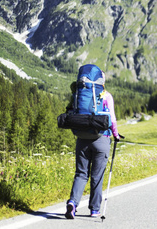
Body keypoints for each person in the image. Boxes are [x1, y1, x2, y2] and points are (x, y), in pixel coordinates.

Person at [65, 71, 120, 219]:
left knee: (81, 174)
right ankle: (95, 209)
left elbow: (70, 111)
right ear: (102, 81)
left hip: (82, 138)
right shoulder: (106, 95)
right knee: (97, 176)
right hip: (102, 139)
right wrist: (116, 135)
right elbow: (112, 119)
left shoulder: (78, 94)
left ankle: (72, 203)